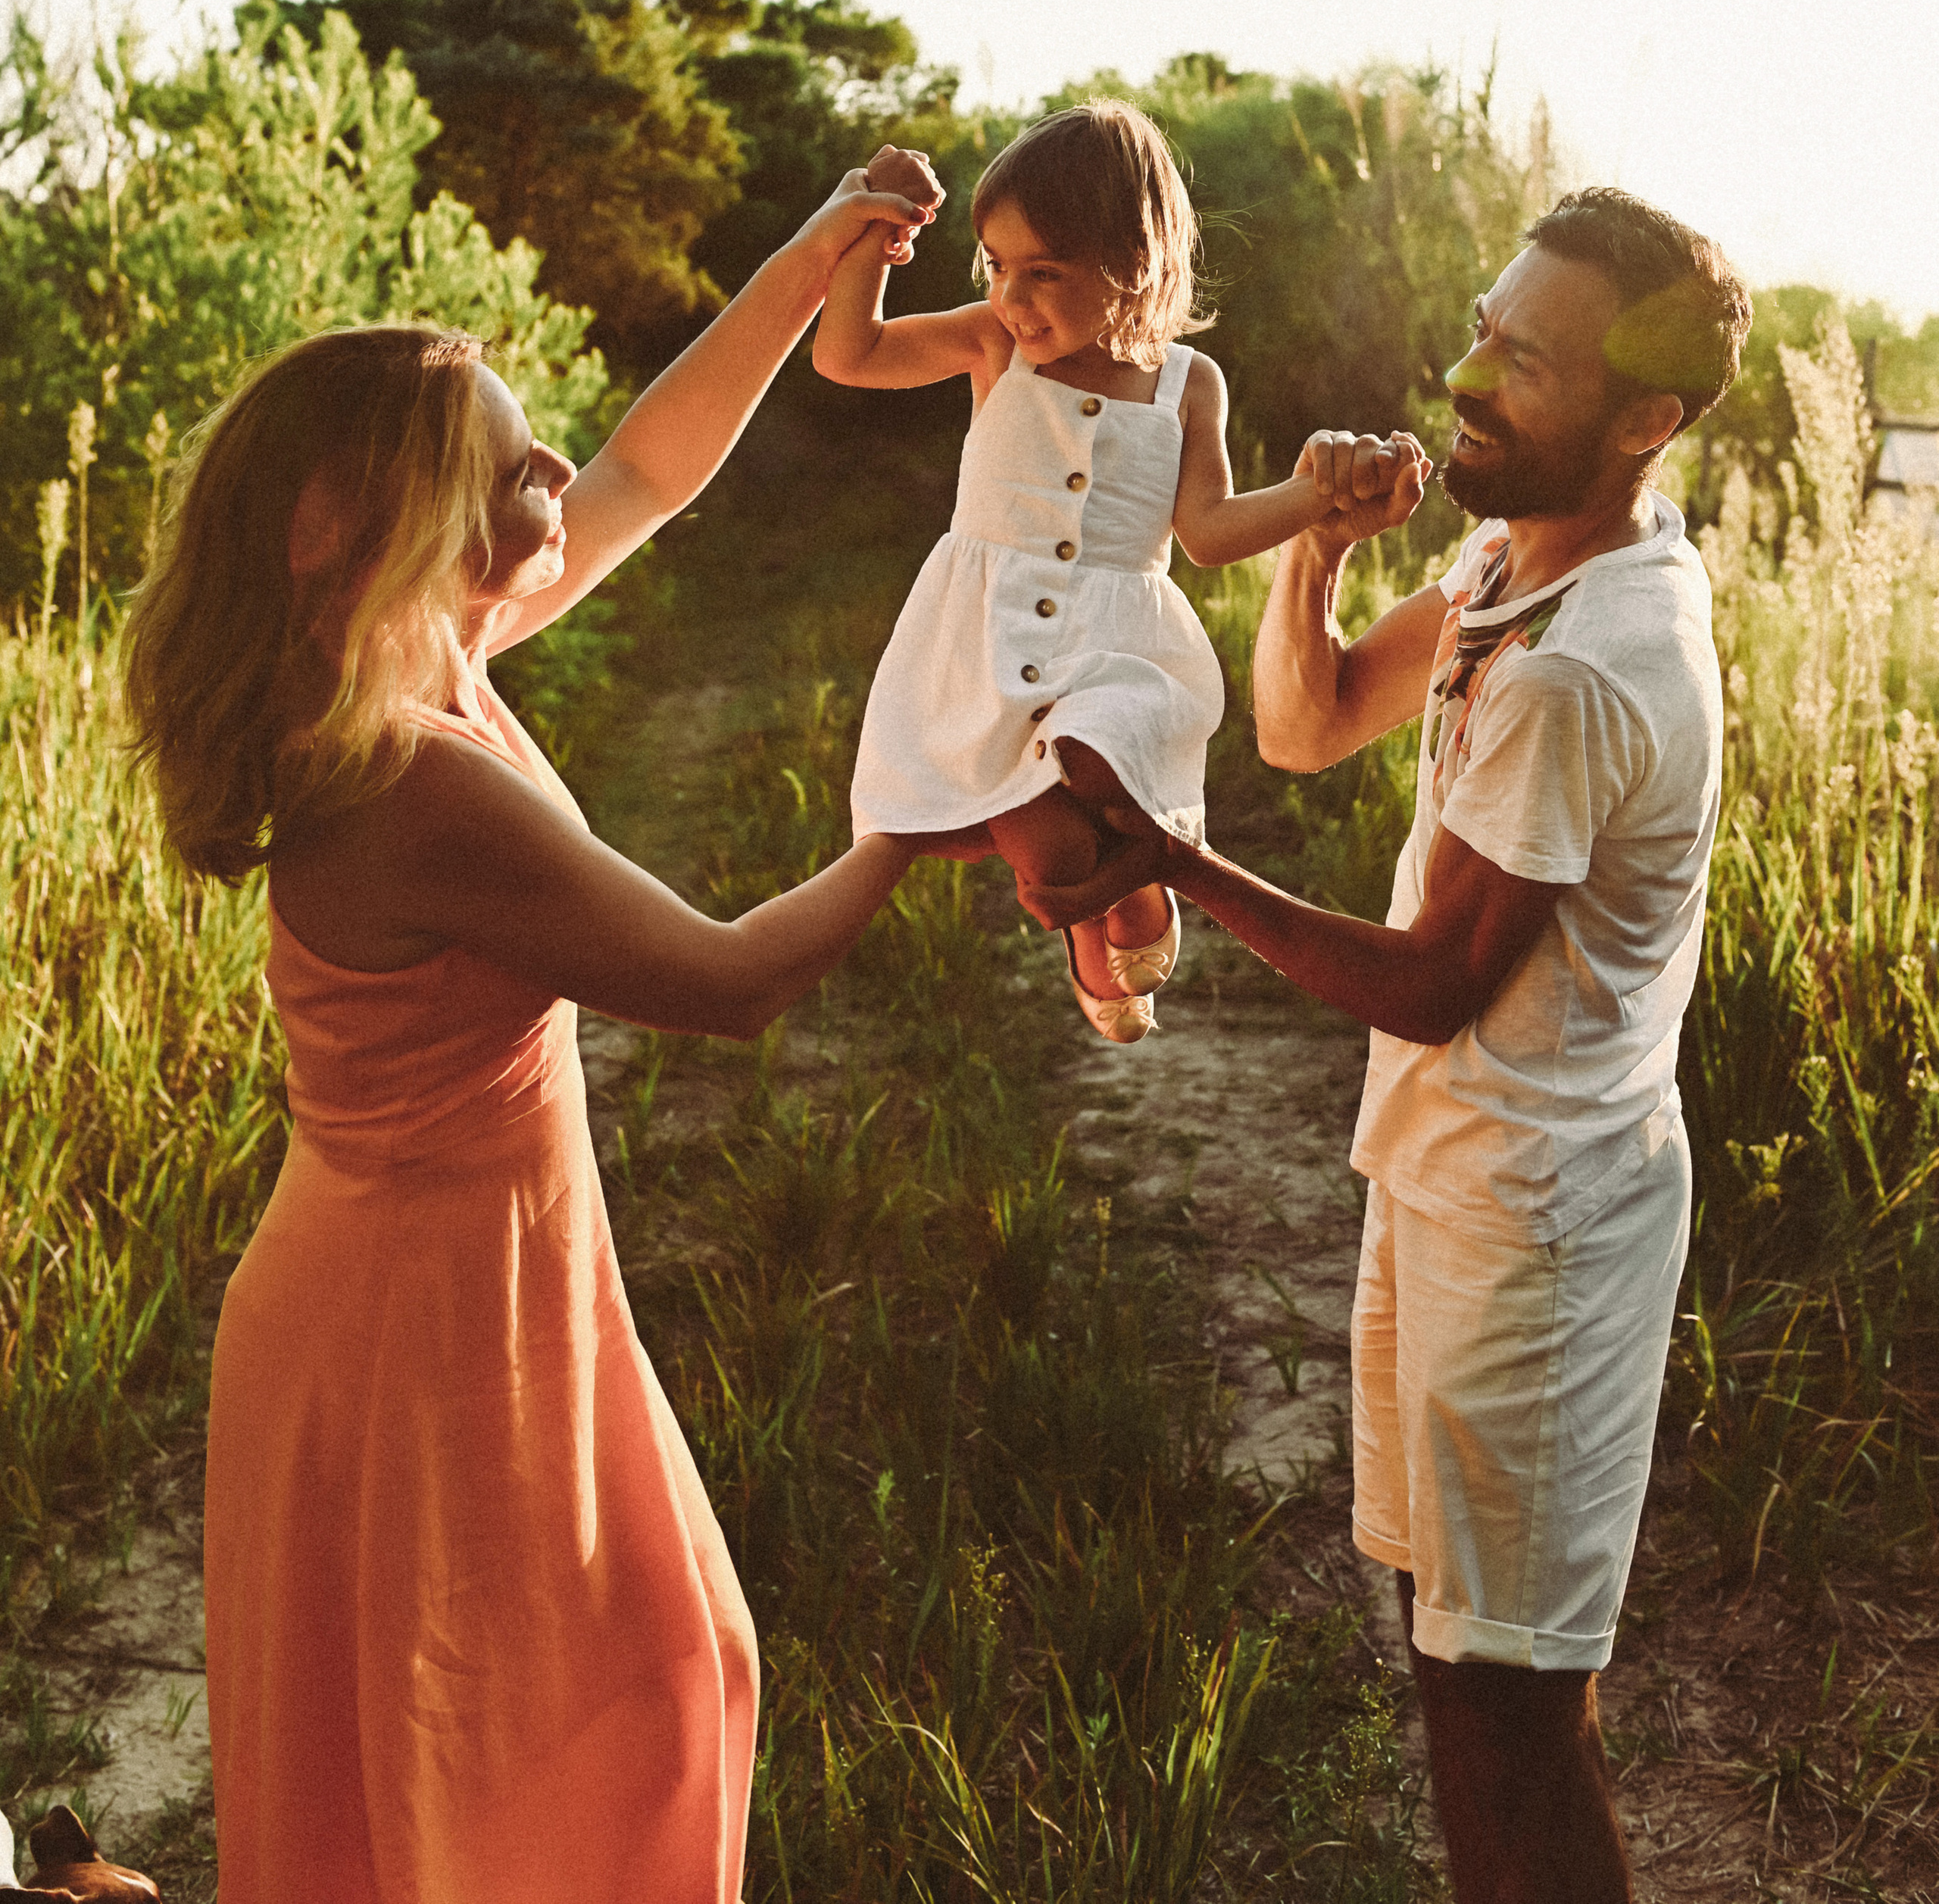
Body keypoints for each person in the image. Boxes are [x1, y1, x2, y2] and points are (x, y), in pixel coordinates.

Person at [121, 158, 952, 1904]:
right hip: (419, 1326)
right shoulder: (408, 778)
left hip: (455, 1284)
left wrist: (807, 265)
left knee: (626, 1693)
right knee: (549, 1740)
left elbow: (648, 466)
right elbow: (726, 980)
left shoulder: (410, 653)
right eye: (504, 462)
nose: (552, 472)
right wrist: (935, 804)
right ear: (349, 521)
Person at [1014, 189, 1751, 1904]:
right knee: (1449, 1670)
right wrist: (1309, 547)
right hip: (1444, 1181)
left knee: (1510, 1719)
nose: (1464, 376)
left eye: (1521, 359)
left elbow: (1432, 980)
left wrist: (1172, 862)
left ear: (1643, 417)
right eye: (1480, 330)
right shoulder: (1516, 564)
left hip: (1538, 1235)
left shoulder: (1589, 658)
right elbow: (1308, 714)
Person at [813, 98, 1408, 1041]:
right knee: (1049, 861)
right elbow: (848, 354)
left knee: (1096, 758)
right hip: (988, 636)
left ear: (1131, 267)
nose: (1014, 295)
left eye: (1044, 272)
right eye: (998, 266)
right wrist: (872, 227)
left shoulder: (1187, 382)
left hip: (1115, 646)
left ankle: (1135, 897)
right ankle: (1090, 928)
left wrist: (1316, 495)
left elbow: (1207, 532)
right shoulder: (991, 343)